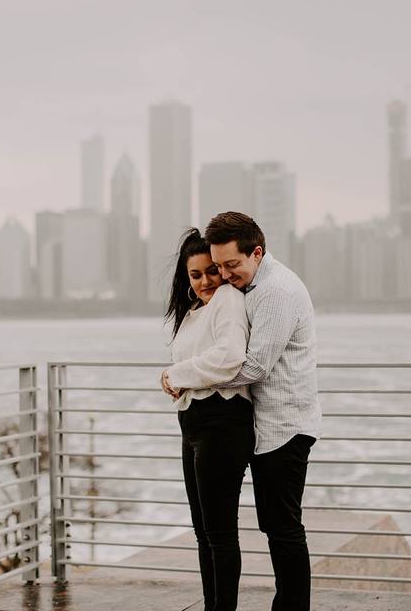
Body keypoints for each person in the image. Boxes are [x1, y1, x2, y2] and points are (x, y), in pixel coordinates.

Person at [165, 212, 322, 611]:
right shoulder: (248, 288)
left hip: (285, 424)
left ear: (257, 252)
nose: (224, 275)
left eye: (231, 265)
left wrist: (183, 375)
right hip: (262, 423)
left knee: (282, 528)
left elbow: (251, 367)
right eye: (218, 267)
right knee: (272, 527)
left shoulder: (275, 292)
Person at [161, 227, 253, 611]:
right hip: (193, 424)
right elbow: (192, 363)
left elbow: (230, 356)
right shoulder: (193, 312)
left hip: (223, 422)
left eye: (210, 272)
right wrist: (175, 377)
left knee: (219, 532)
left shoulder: (229, 299)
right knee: (202, 530)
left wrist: (176, 377)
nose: (204, 282)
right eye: (195, 275)